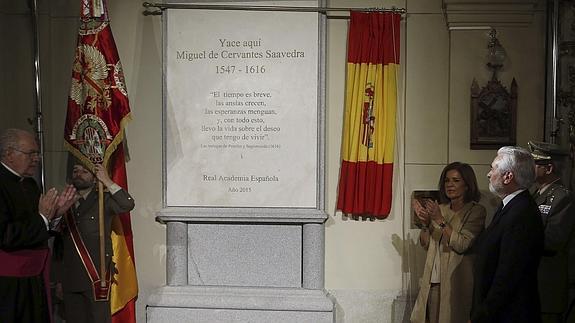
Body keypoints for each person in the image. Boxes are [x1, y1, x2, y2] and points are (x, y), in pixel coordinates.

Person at [0, 128, 76, 323]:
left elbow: (39, 229)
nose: (37, 159)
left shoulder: (31, 185)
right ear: (9, 154)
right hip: (9, 286)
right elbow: (6, 236)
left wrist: (55, 215)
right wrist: (43, 217)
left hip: (33, 279)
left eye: (37, 153)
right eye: (30, 153)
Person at [470, 146, 544, 323]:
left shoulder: (522, 213)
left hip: (509, 314)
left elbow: (508, 274)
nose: (489, 174)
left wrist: (483, 314)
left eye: (493, 168)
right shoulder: (509, 206)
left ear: (508, 176)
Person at [54, 162, 134, 323]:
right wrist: (57, 279)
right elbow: (58, 244)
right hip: (69, 277)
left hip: (96, 277)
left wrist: (107, 181)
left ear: (94, 177)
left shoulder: (103, 201)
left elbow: (127, 204)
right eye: (76, 170)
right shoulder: (63, 201)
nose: (79, 174)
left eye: (85, 171)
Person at [410, 162, 486, 323]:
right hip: (433, 282)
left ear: (467, 185)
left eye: (456, 180)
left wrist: (439, 220)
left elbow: (462, 244)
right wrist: (425, 223)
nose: (450, 185)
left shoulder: (476, 211)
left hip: (456, 283)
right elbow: (425, 244)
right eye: (447, 180)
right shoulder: (441, 208)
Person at [528, 141, 575, 323]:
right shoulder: (537, 193)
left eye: (535, 164)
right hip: (535, 281)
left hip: (548, 282)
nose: (530, 168)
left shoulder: (563, 197)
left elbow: (553, 240)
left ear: (548, 168)